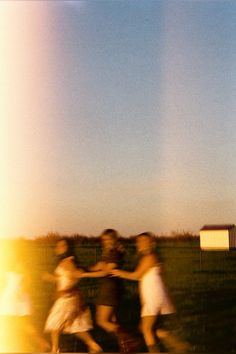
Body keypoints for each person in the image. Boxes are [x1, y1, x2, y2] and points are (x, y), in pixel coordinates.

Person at [111, 232, 189, 353]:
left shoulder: (150, 257)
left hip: (153, 296)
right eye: (139, 241)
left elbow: (136, 275)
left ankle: (169, 348)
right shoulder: (148, 257)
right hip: (154, 295)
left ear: (151, 243)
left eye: (144, 241)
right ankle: (178, 345)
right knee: (146, 328)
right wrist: (123, 251)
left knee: (146, 329)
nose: (140, 243)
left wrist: (118, 272)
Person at [75, 229, 139, 352]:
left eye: (108, 239)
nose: (105, 242)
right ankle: (125, 346)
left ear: (114, 239)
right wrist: (84, 269)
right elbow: (99, 266)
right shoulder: (108, 253)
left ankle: (130, 341)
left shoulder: (114, 253)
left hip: (110, 290)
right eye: (104, 239)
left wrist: (84, 275)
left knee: (102, 321)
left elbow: (105, 272)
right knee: (112, 320)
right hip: (109, 288)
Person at [42, 238, 102, 353]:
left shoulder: (68, 262)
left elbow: (74, 278)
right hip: (67, 297)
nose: (60, 248)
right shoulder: (64, 262)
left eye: (63, 245)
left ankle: (55, 350)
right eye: (58, 246)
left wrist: (66, 290)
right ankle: (94, 346)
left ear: (68, 248)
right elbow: (64, 278)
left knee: (55, 322)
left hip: (67, 298)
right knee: (76, 326)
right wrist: (52, 279)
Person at [0, 245, 50, 352]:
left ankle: (41, 343)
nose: (8, 254)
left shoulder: (19, 265)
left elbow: (27, 280)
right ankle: (39, 343)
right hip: (9, 297)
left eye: (10, 252)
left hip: (15, 298)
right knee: (16, 324)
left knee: (20, 323)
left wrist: (21, 290)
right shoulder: (6, 264)